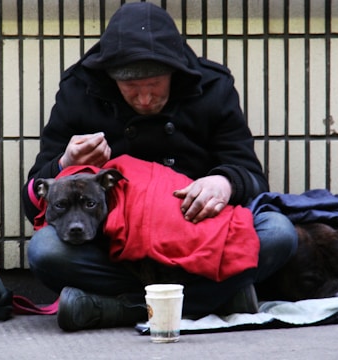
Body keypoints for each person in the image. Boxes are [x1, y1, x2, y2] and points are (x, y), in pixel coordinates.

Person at [21, 2, 298, 331]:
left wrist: (223, 182)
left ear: (174, 74)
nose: (144, 100)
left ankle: (115, 309)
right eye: (131, 90)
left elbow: (251, 176)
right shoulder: (80, 89)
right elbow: (33, 198)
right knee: (45, 250)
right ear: (111, 79)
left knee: (279, 232)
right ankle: (214, 298)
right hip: (115, 247)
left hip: (194, 236)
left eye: (155, 87)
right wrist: (66, 162)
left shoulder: (212, 86)